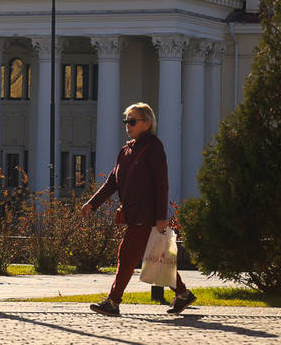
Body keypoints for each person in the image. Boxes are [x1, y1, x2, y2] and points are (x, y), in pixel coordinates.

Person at [80, 102, 196, 316]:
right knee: (155, 257)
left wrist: (162, 216)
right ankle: (182, 294)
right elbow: (112, 182)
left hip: (147, 214)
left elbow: (162, 183)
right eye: (126, 121)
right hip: (133, 214)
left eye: (132, 121)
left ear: (147, 123)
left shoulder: (153, 148)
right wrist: (92, 203)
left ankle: (113, 302)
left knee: (126, 255)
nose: (128, 125)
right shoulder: (125, 150)